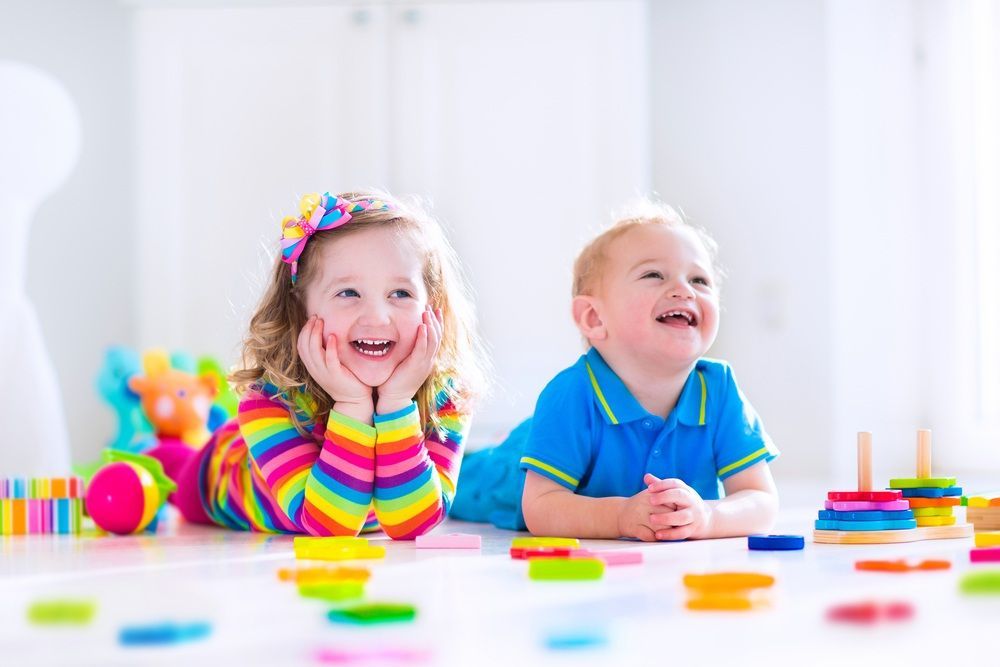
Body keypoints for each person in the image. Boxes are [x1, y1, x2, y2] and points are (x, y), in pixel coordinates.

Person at [150, 190, 487, 539]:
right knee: (170, 467)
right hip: (219, 477)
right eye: (348, 293)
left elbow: (413, 525)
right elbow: (330, 526)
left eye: (400, 293)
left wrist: (397, 402)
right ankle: (158, 448)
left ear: (432, 306)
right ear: (300, 308)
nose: (377, 316)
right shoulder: (268, 401)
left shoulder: (449, 395)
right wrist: (353, 405)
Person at [451, 200, 778, 540]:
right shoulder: (571, 394)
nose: (684, 289)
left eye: (699, 280)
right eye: (654, 274)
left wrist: (709, 517)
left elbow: (761, 500)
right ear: (594, 318)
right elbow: (541, 507)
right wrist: (619, 516)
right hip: (508, 469)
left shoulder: (719, 390)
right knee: (460, 480)